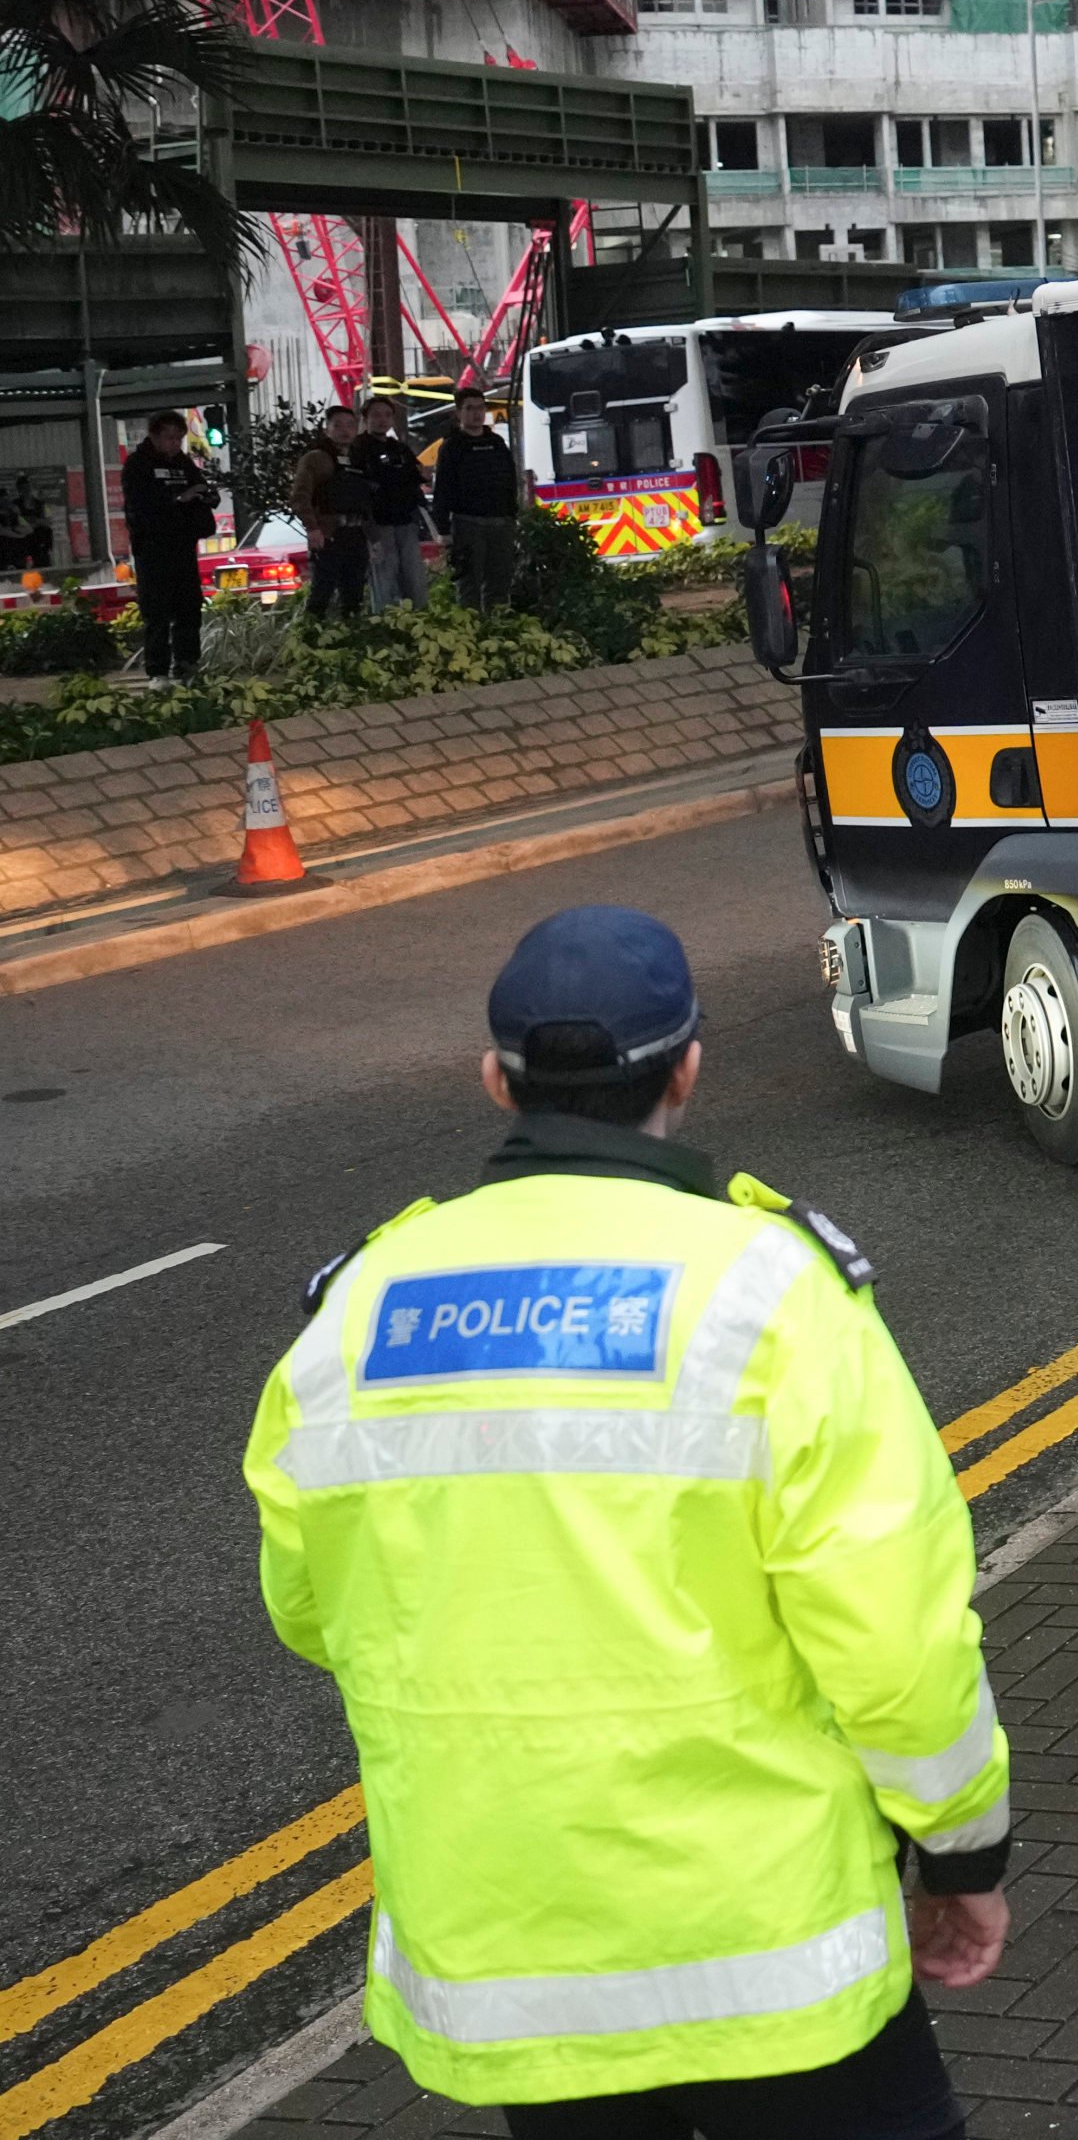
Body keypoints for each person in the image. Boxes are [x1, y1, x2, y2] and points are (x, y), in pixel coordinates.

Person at [243, 906, 1014, 2133]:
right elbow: (896, 1643)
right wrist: (964, 1860)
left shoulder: (354, 1314)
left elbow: (310, 1610)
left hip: (511, 1960)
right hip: (772, 1949)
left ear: (495, 1080)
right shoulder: (769, 1292)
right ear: (690, 1068)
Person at [118, 411, 221, 682]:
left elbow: (204, 489)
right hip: (153, 548)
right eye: (169, 438)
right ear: (154, 437)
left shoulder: (184, 464)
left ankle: (187, 665)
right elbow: (141, 505)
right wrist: (178, 498)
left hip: (183, 546)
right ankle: (158, 672)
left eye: (179, 438)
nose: (174, 444)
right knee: (157, 612)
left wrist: (203, 495)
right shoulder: (138, 465)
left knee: (189, 608)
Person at [433, 381, 529, 607]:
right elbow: (443, 489)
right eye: (469, 408)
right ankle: (472, 634)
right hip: (468, 523)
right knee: (469, 584)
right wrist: (443, 530)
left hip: (501, 523)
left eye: (480, 408)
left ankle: (496, 631)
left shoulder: (496, 443)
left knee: (500, 583)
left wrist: (513, 514)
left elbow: (509, 479)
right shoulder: (452, 446)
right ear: (459, 413)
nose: (476, 414)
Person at [351, 393, 432, 611]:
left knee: (414, 576)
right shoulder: (358, 448)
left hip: (406, 520)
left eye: (387, 415)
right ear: (365, 418)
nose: (382, 420)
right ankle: (384, 625)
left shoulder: (399, 448)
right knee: (384, 577)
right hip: (378, 524)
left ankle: (421, 623)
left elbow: (419, 474)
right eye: (376, 415)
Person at [291, 405, 370, 621]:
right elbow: (300, 496)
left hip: (357, 534)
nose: (345, 430)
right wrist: (313, 528)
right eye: (338, 425)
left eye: (350, 425)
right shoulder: (315, 459)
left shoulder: (359, 459)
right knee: (322, 592)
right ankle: (310, 641)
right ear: (327, 430)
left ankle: (351, 637)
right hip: (329, 534)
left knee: (354, 594)